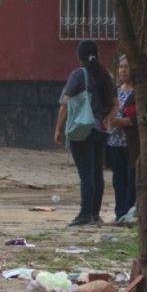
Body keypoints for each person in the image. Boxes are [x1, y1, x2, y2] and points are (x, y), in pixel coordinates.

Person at [54, 40, 119, 227]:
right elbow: (116, 103)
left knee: (86, 174)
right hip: (101, 131)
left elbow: (65, 103)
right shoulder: (107, 76)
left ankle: (84, 214)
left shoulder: (78, 75)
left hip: (83, 129)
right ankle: (95, 214)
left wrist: (59, 129)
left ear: (78, 57)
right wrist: (108, 120)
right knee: (97, 173)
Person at [105, 54, 136, 223]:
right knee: (118, 179)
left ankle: (128, 212)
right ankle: (119, 213)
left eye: (127, 67)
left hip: (130, 145)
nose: (123, 70)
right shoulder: (116, 91)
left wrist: (119, 121)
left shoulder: (138, 93)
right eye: (121, 67)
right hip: (114, 143)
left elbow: (137, 118)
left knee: (131, 179)